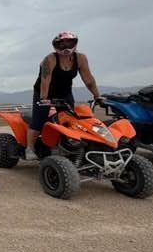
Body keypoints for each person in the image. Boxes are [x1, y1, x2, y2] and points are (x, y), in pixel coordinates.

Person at [26, 31, 103, 160]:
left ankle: (67, 147)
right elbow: (46, 80)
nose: (65, 46)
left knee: (70, 120)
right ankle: (30, 148)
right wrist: (44, 99)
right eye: (61, 44)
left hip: (64, 93)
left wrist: (97, 96)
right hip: (44, 92)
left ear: (75, 43)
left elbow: (89, 80)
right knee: (39, 121)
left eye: (69, 43)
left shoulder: (80, 58)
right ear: (56, 45)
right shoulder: (49, 59)